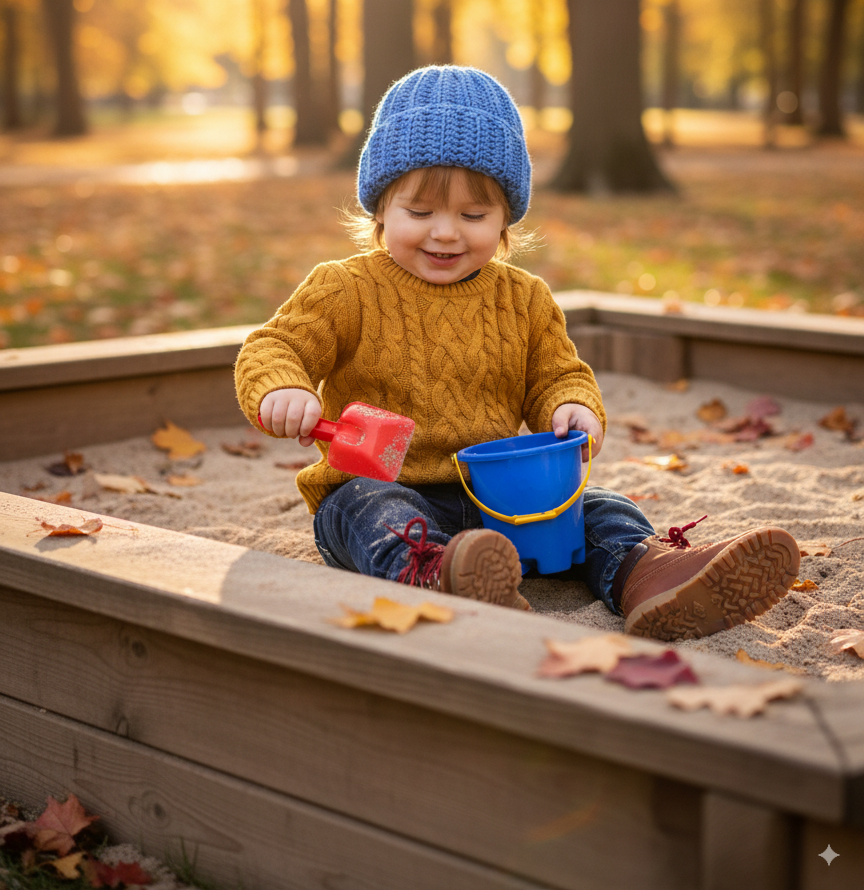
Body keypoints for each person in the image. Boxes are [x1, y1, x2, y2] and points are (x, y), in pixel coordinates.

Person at [235, 66, 800, 639]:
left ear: (507, 216)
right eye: (420, 212)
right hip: (389, 487)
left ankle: (646, 574)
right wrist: (283, 387)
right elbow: (273, 345)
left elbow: (557, 374)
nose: (446, 233)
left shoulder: (525, 299)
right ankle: (432, 574)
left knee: (600, 509)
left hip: (500, 496)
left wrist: (572, 408)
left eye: (473, 215)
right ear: (380, 208)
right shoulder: (346, 288)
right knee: (364, 509)